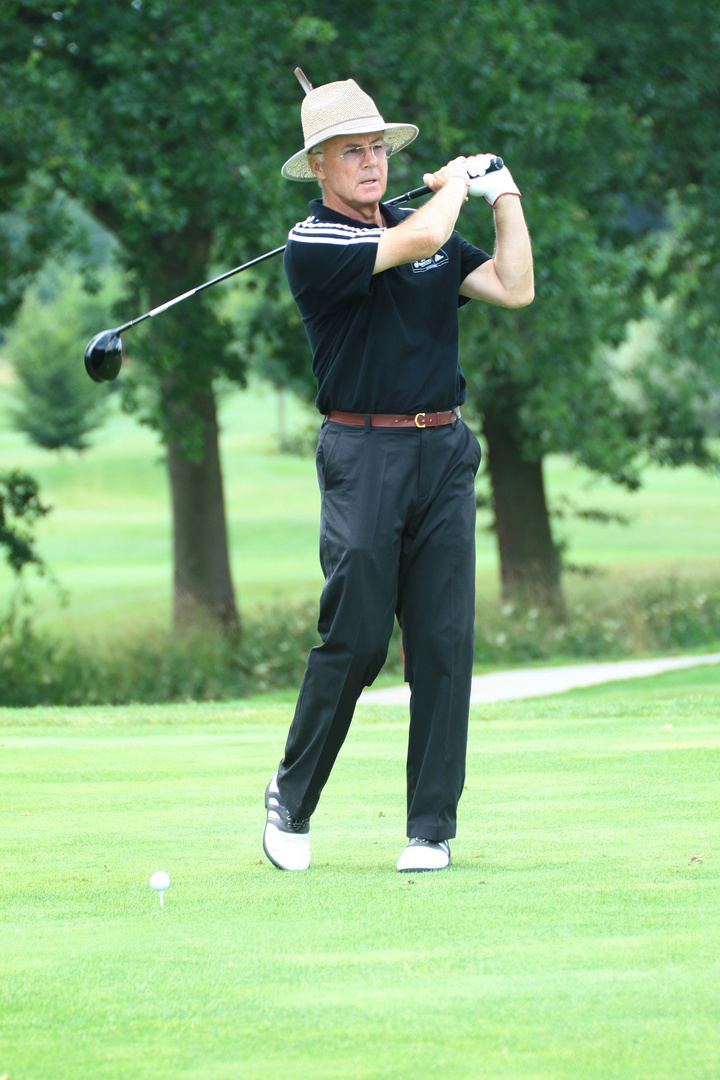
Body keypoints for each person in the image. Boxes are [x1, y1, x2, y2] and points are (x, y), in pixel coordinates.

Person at [263, 72, 533, 873]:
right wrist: (452, 186)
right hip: (363, 454)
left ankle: (430, 830)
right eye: (353, 153)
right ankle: (292, 799)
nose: (372, 163)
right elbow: (414, 243)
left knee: (445, 644)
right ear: (320, 166)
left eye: (378, 148)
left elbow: (513, 288)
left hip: (444, 451)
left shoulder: (429, 225)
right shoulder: (314, 244)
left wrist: (503, 196)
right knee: (354, 639)